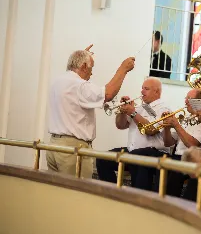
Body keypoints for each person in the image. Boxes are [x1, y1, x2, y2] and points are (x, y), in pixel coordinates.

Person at [47, 45, 135, 178]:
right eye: (90, 68)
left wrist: (82, 55)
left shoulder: (58, 81)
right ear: (83, 66)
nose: (91, 73)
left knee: (57, 193)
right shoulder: (79, 85)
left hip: (54, 146)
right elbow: (108, 94)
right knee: (77, 194)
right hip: (73, 149)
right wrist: (123, 69)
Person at [96, 77, 170, 187]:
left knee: (138, 161)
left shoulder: (164, 109)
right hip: (133, 152)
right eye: (142, 88)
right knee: (103, 159)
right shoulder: (140, 107)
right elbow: (120, 125)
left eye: (146, 89)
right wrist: (122, 111)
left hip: (153, 154)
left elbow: (151, 130)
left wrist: (133, 113)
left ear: (157, 91)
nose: (142, 91)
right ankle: (112, 192)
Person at [162, 88, 201, 198]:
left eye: (189, 99)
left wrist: (176, 125)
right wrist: (166, 128)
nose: (185, 102)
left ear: (199, 102)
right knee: (165, 187)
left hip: (195, 161)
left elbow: (192, 145)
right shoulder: (185, 118)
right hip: (179, 158)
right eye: (186, 98)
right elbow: (168, 143)